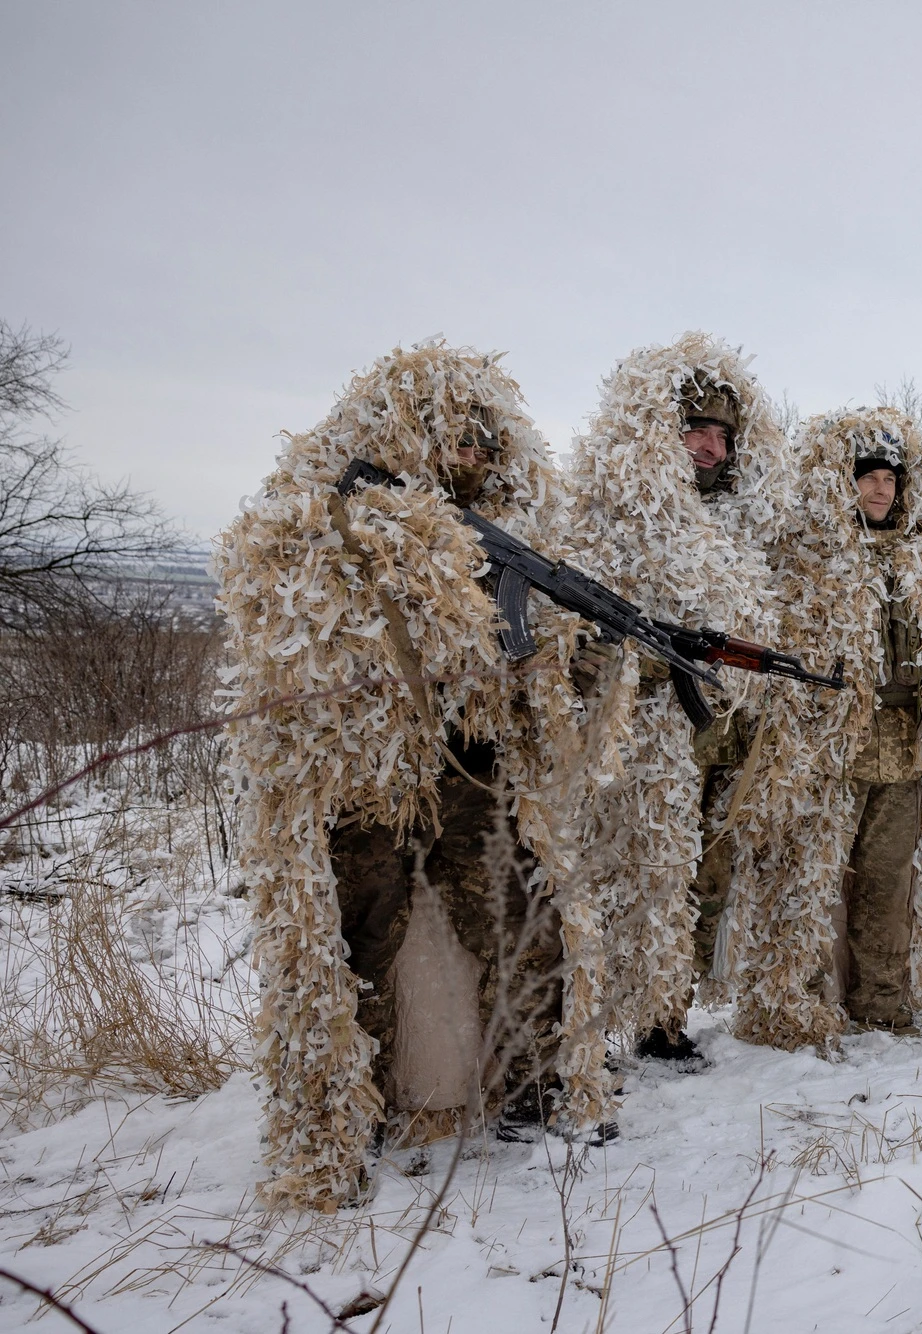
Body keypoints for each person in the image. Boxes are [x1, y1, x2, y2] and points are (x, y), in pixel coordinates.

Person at [216, 342, 614, 1210]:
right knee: (356, 939)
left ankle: (533, 1090)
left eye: (483, 445)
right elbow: (294, 636)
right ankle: (341, 1121)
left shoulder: (519, 530)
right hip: (369, 779)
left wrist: (571, 662)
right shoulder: (330, 515)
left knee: (521, 919)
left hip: (472, 768)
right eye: (454, 441)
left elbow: (540, 664)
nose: (470, 458)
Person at [562, 333, 787, 1065]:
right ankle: (590, 1026)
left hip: (717, 730)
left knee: (693, 880)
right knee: (623, 873)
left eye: (722, 435)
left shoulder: (744, 525)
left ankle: (665, 1018)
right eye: (695, 429)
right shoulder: (613, 513)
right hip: (636, 728)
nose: (709, 446)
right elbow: (575, 616)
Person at [724, 408, 922, 1048]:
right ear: (846, 484)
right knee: (810, 883)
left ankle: (882, 1007)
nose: (879, 489)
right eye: (867, 477)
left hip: (903, 751)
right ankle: (797, 1005)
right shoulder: (813, 560)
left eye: (889, 479)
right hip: (831, 751)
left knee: (888, 887)